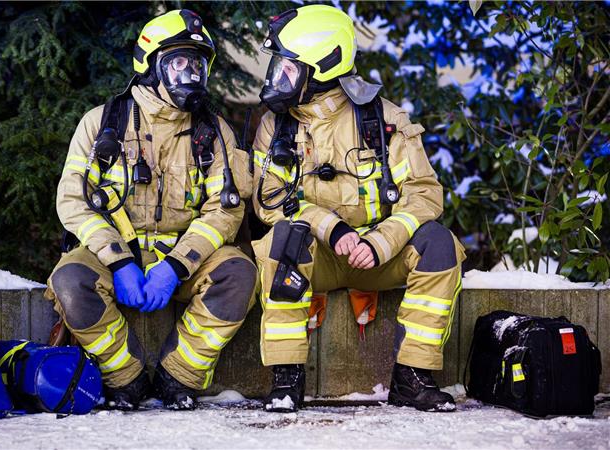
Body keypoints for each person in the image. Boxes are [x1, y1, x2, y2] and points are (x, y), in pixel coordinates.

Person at [252, 4, 466, 413]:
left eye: (287, 68)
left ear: (321, 66)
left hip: (378, 259)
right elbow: (270, 202)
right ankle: (286, 378)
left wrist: (382, 242)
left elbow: (424, 193)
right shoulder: (276, 127)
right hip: (317, 259)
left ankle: (413, 378)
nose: (276, 78)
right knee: (282, 240)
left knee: (439, 244)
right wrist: (332, 229)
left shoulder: (384, 121)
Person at [45, 9, 255, 411]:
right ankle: (125, 378)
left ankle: (179, 376)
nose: (190, 75)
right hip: (114, 254)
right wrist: (119, 262)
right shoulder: (102, 124)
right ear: (150, 65)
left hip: (183, 260)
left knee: (239, 271)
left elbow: (225, 212)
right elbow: (73, 200)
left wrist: (175, 266)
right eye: (178, 64)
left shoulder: (213, 132)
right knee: (70, 280)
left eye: (197, 65)